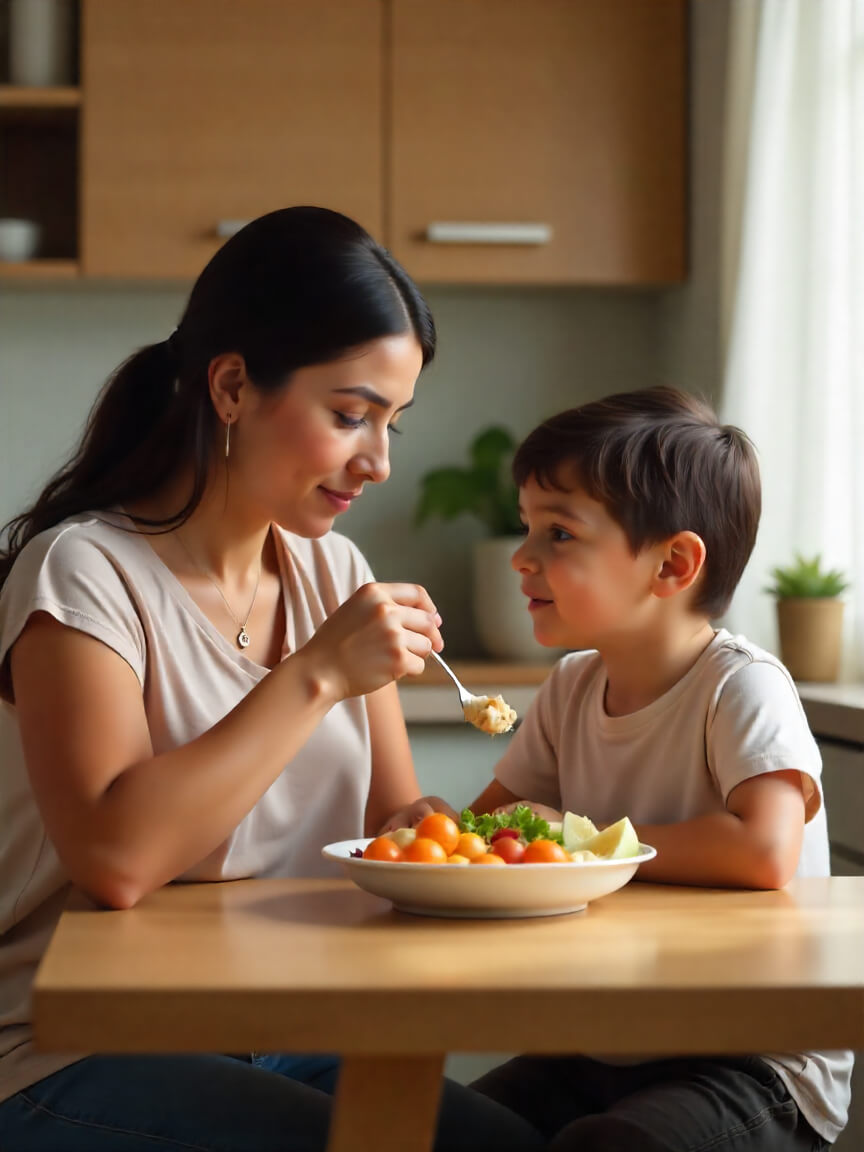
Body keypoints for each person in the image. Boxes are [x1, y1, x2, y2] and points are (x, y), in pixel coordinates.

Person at [0, 207, 544, 1152]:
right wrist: (317, 672)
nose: (379, 462)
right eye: (351, 416)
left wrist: (447, 836)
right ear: (232, 387)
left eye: (392, 424)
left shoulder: (335, 573)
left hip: (283, 1028)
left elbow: (391, 818)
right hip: (69, 1047)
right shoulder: (82, 573)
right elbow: (115, 860)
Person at [402, 387, 851, 1150]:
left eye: (559, 533)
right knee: (429, 1131)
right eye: (526, 527)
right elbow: (498, 828)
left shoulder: (741, 687)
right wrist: (438, 829)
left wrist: (581, 842)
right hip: (602, 1046)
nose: (522, 557)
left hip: (750, 1061)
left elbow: (765, 850)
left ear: (672, 564)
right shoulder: (571, 686)